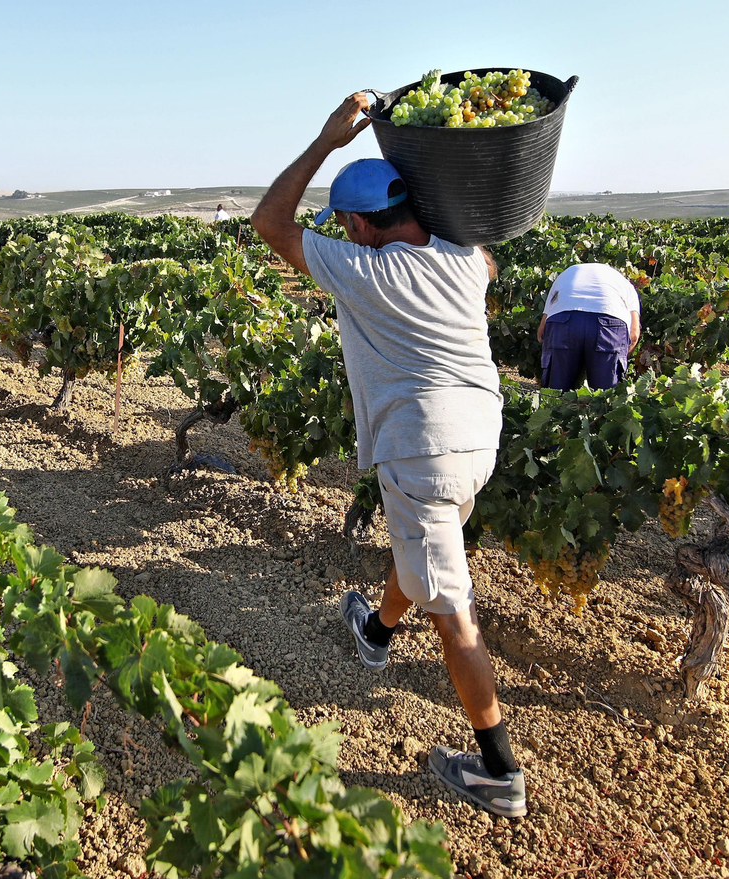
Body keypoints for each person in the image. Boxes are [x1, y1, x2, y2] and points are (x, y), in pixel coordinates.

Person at [251, 93, 525, 819]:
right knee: (421, 550)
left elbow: (267, 223)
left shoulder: (368, 271)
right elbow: (488, 256)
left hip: (424, 450)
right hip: (478, 441)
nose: (342, 238)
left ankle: (499, 770)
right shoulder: (464, 259)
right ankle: (374, 632)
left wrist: (324, 142)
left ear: (363, 225)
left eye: (346, 227)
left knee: (456, 614)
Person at [537, 263, 641, 391]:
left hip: (563, 319)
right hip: (609, 323)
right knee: (605, 397)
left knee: (557, 394)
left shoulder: (565, 275)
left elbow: (541, 332)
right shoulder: (625, 285)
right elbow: (634, 334)